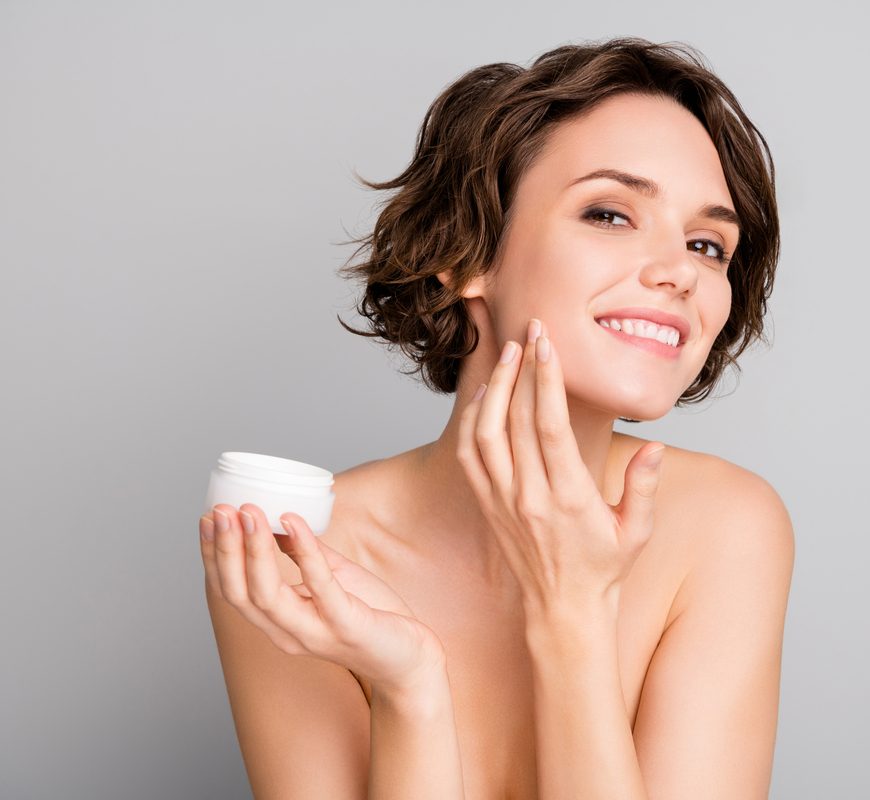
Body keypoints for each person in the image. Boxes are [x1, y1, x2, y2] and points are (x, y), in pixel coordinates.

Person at [199, 36, 794, 799]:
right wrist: (410, 687)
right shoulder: (299, 550)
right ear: (468, 250)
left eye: (709, 244)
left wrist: (572, 610)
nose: (680, 271)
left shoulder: (726, 529)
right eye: (611, 214)